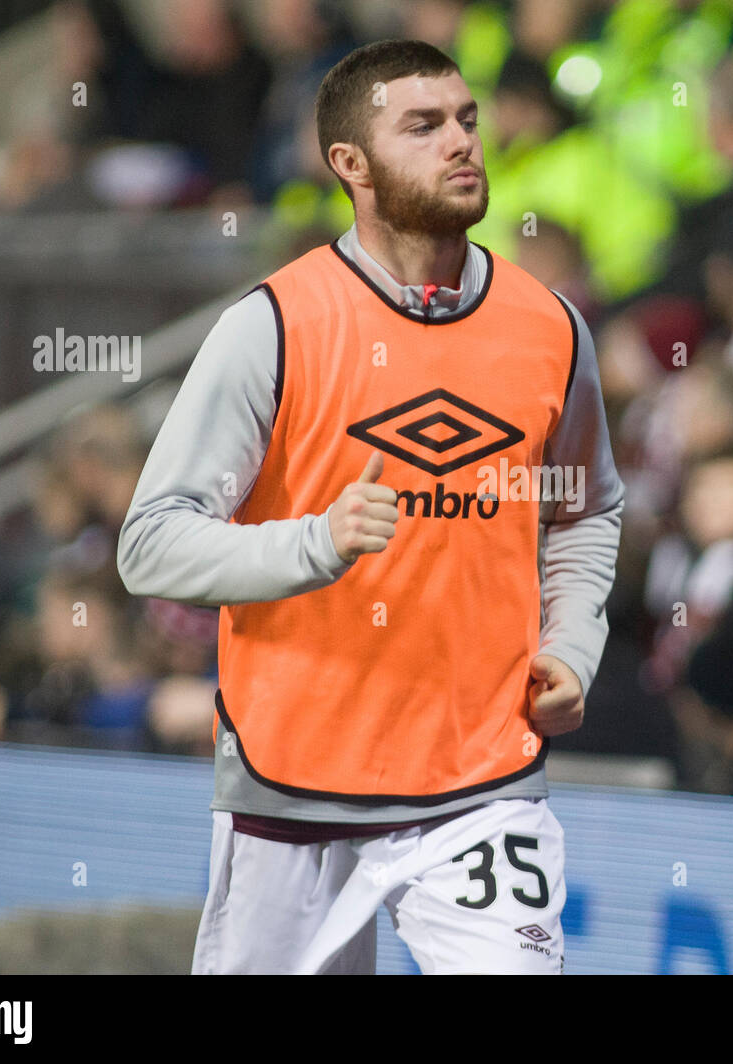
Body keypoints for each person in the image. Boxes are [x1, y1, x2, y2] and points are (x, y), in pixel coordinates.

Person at [117, 39, 624, 974]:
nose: (461, 143)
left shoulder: (551, 327)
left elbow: (585, 511)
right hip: (292, 784)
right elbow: (150, 544)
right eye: (423, 127)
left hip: (482, 782)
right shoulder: (272, 325)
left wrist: (571, 643)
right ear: (349, 163)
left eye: (466, 120)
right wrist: (315, 542)